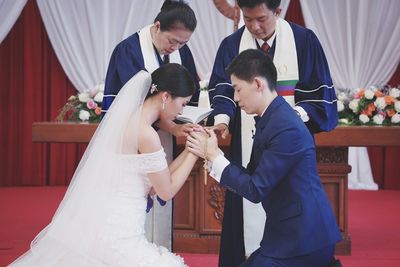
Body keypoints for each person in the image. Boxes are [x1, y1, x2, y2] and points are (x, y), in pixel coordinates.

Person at [9, 64, 199, 267]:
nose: (182, 111)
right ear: (166, 97)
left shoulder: (129, 120)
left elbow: (155, 184)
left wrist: (189, 149)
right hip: (119, 233)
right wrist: (196, 152)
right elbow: (165, 191)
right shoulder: (146, 134)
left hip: (105, 221)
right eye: (183, 103)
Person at [207, 0, 338, 265]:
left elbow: (320, 95)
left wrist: (291, 118)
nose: (254, 26)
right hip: (246, 142)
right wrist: (222, 120)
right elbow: (223, 89)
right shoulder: (231, 45)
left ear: (278, 11)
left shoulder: (303, 41)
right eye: (247, 19)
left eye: (261, 19)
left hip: (289, 137)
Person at [102, 0, 200, 248]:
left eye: (183, 43)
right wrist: (174, 128)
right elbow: (136, 106)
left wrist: (185, 122)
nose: (176, 48)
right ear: (158, 26)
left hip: (162, 139)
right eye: (173, 41)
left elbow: (189, 92)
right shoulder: (129, 51)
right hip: (135, 142)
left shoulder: (181, 51)